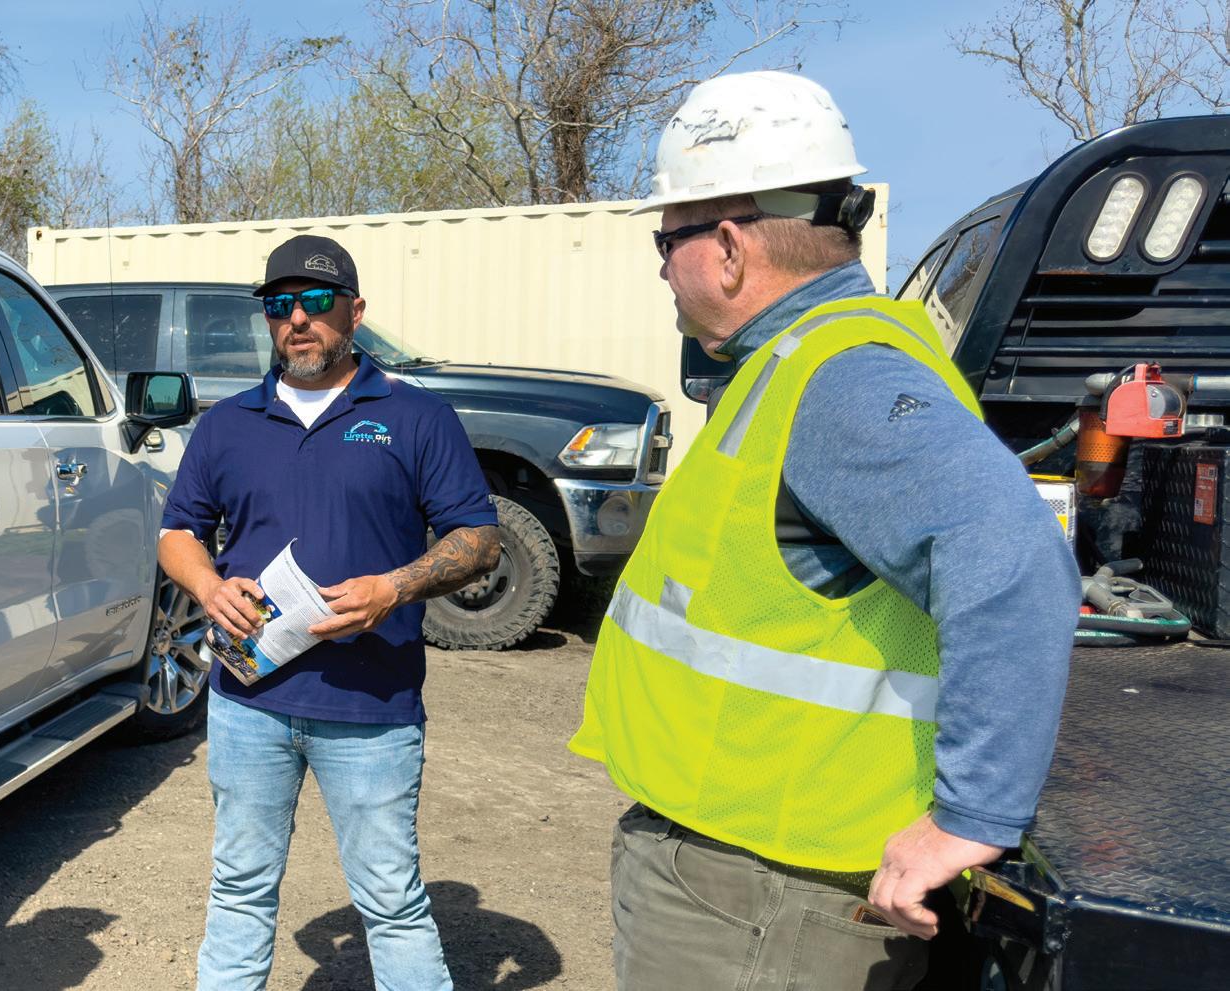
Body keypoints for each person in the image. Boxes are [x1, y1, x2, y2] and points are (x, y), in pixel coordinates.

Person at [567, 71, 1076, 990]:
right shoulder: (803, 362)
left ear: (728, 248)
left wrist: (971, 816)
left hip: (764, 906)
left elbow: (1012, 555)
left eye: (666, 241)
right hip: (748, 880)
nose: (662, 268)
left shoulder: (841, 381)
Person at [158, 234, 504, 991]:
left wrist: (395, 588)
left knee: (391, 901)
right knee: (239, 888)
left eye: (316, 301)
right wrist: (209, 587)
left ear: (355, 311)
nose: (297, 319)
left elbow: (480, 539)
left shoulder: (415, 417)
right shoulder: (227, 424)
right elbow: (178, 532)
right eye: (279, 305)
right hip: (249, 700)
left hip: (370, 706)